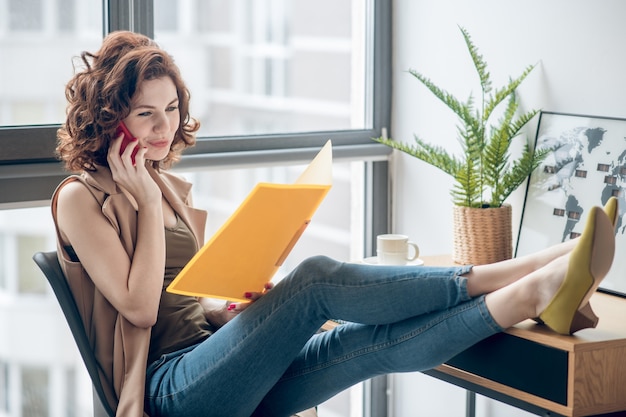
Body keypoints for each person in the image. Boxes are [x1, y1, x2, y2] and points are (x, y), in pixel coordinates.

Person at [52, 31, 617, 417]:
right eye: (144, 113)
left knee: (365, 344)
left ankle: (531, 292)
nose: (163, 127)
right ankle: (524, 269)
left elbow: (183, 303)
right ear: (108, 116)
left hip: (217, 356)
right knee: (318, 278)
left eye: (171, 108)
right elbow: (141, 308)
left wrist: (229, 308)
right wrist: (148, 206)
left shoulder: (164, 186)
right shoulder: (82, 198)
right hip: (173, 391)